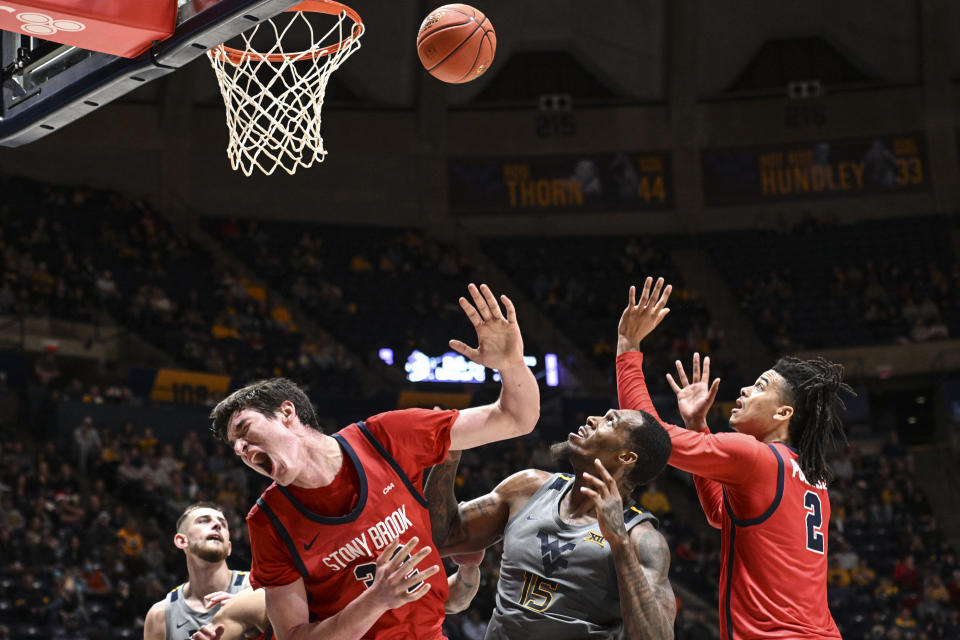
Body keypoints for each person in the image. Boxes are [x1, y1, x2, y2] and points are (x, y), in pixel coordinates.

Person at [209, 284, 540, 640]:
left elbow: (515, 417)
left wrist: (511, 365)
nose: (242, 449)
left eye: (244, 430)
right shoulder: (268, 521)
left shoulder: (386, 437)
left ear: (287, 413)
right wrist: (375, 601)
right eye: (235, 446)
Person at [616, 276, 851, 639]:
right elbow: (721, 516)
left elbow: (644, 434)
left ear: (783, 414)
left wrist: (628, 347)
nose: (744, 389)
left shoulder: (755, 456)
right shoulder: (808, 474)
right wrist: (696, 425)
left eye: (760, 387)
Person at [423, 415, 676, 638]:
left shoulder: (641, 537)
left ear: (625, 457)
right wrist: (449, 455)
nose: (592, 419)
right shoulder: (527, 487)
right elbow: (440, 537)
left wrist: (619, 541)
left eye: (610, 421)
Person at [189, 552, 486, 640]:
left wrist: (469, 569)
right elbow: (223, 628)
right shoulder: (261, 603)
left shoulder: (378, 583)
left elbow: (451, 601)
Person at [144, 503, 253, 640]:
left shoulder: (255, 588)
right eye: (204, 521)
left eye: (223, 524)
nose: (217, 525)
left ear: (229, 548)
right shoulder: (159, 615)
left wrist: (250, 609)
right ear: (181, 541)